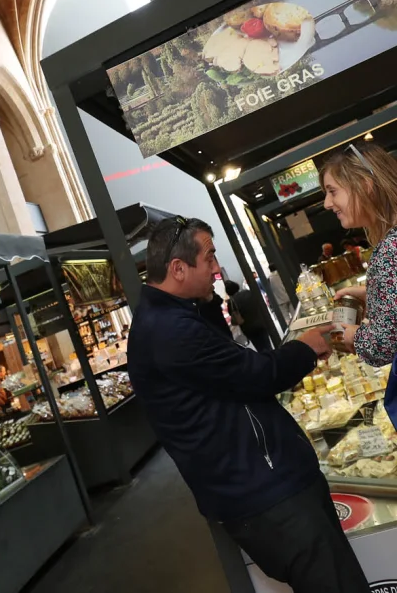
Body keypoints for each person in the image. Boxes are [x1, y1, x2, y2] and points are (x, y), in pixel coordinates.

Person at [128, 215, 369, 593]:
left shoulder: (179, 315)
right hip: (267, 496)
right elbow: (255, 375)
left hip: (272, 483)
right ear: (177, 269)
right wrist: (307, 347)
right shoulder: (169, 331)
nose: (216, 268)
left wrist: (206, 300)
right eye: (208, 258)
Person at [322, 142, 397, 364]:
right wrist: (373, 295)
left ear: (365, 185)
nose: (327, 203)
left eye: (332, 191)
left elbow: (383, 346)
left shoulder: (390, 249)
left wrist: (353, 336)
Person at [225, 279, 272, 352]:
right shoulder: (248, 292)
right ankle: (273, 358)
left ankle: (268, 360)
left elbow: (233, 315)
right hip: (260, 322)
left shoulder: (231, 303)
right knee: (267, 345)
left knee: (260, 348)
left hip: (248, 328)